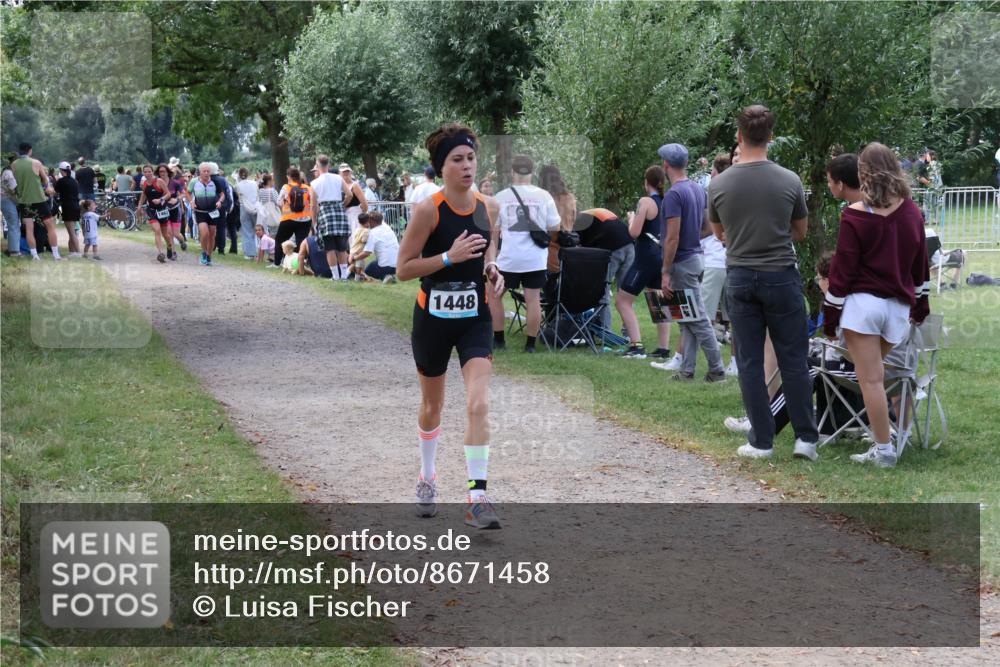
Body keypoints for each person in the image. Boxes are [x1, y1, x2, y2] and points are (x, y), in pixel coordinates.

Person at [395, 122, 504, 529]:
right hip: (433, 320)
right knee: (432, 407)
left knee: (479, 404)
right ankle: (427, 476)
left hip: (473, 317)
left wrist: (492, 268)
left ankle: (478, 498)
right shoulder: (429, 210)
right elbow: (403, 269)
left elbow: (488, 245)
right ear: (441, 168)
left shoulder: (489, 206)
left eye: (471, 158)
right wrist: (447, 258)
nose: (466, 166)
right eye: (457, 160)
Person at [708, 105, 818, 460]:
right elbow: (800, 232)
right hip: (781, 275)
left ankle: (761, 440)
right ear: (771, 136)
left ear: (739, 137)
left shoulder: (720, 184)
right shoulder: (789, 180)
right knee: (794, 359)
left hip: (740, 276)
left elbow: (719, 233)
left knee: (751, 361)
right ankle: (805, 439)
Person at [823, 142, 930, 468]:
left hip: (863, 307)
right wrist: (921, 302)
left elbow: (843, 271)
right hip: (897, 308)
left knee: (870, 379)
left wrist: (830, 315)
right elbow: (920, 263)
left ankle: (884, 450)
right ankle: (889, 439)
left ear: (863, 172)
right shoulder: (911, 210)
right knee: (878, 376)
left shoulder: (854, 215)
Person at [658, 143, 725, 382]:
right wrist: (690, 238)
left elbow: (672, 237)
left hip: (683, 262)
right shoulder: (697, 189)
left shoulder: (674, 194)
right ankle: (687, 371)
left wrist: (665, 272)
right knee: (685, 318)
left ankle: (717, 369)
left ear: (666, 165)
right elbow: (707, 228)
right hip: (697, 257)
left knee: (696, 319)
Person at [489, 155, 561, 353]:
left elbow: (493, 233)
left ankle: (499, 341)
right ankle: (530, 345)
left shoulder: (501, 197)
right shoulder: (544, 196)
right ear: (532, 172)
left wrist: (492, 259)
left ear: (512, 172)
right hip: (535, 258)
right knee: (533, 299)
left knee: (494, 296)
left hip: (509, 259)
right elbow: (555, 227)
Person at [617, 165, 672, 361]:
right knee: (658, 299)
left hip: (646, 257)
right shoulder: (668, 201)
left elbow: (634, 232)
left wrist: (631, 218)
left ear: (646, 182)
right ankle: (663, 348)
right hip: (663, 256)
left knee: (623, 300)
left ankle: (636, 346)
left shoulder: (645, 202)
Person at [573, 207, 635, 335]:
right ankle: (629, 333)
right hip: (630, 246)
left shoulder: (577, 221)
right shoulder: (596, 212)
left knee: (601, 292)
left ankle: (605, 332)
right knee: (626, 294)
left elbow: (577, 250)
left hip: (611, 249)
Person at [13, 143, 61, 260]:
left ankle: (35, 256)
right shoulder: (36, 163)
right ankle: (56, 255)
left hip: (24, 201)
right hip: (38, 199)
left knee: (29, 229)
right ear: (29, 151)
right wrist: (49, 189)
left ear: (19, 151)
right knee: (50, 226)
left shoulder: (13, 165)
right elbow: (45, 181)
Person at [310, 155, 352, 279]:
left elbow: (313, 205)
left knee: (330, 248)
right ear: (329, 165)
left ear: (317, 166)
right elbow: (349, 194)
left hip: (325, 213)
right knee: (342, 247)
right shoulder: (338, 178)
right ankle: (344, 276)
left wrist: (314, 221)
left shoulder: (314, 183)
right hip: (339, 212)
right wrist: (342, 205)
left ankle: (335, 276)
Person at [539, 164, 577, 274]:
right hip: (568, 249)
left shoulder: (544, 198)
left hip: (549, 252)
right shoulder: (570, 197)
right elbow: (573, 221)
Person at [273, 166, 314, 270]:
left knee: (280, 240)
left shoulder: (286, 187)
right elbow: (312, 202)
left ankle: (277, 263)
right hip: (305, 220)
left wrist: (285, 206)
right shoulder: (307, 187)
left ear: (289, 176)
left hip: (289, 219)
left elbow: (278, 201)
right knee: (302, 243)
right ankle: (302, 263)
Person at [191, 161, 227, 266]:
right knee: (204, 233)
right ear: (200, 172)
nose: (206, 173)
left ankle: (209, 255)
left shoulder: (215, 182)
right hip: (200, 211)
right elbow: (187, 192)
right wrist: (191, 201)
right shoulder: (194, 182)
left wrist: (220, 201)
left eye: (208, 171)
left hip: (213, 211)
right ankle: (203, 252)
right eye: (204, 171)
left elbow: (222, 194)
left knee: (212, 234)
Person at [137, 164, 175, 263]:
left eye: (149, 171)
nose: (147, 173)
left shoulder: (159, 181)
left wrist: (160, 199)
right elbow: (144, 194)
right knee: (156, 230)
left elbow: (168, 194)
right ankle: (160, 253)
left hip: (162, 210)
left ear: (152, 172)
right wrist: (140, 205)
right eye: (145, 172)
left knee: (165, 234)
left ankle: (169, 246)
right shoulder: (144, 183)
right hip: (151, 210)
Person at [352, 210, 399, 282]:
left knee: (368, 270)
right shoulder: (386, 226)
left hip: (385, 266)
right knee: (378, 262)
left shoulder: (372, 233)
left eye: (368, 220)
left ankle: (385, 276)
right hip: (398, 265)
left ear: (372, 221)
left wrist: (354, 258)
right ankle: (390, 276)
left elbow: (366, 253)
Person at [53, 162, 82, 256]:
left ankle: (78, 252)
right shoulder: (74, 181)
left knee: (72, 233)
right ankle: (72, 252)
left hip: (68, 207)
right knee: (72, 231)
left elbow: (54, 192)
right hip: (76, 206)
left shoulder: (61, 181)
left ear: (61, 170)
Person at [158, 163, 187, 252]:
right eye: (160, 171)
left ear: (168, 172)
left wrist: (176, 199)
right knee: (169, 233)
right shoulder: (157, 183)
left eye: (164, 171)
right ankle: (172, 251)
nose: (162, 173)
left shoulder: (174, 183)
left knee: (176, 234)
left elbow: (183, 194)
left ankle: (182, 241)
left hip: (174, 210)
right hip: (163, 210)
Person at [236, 167, 259, 259]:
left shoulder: (238, 185)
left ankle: (250, 253)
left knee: (247, 230)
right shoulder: (254, 183)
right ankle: (259, 250)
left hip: (244, 208)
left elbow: (239, 197)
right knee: (257, 229)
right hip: (255, 207)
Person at [339, 163, 368, 234]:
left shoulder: (354, 185)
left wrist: (362, 215)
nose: (346, 173)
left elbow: (364, 203)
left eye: (347, 171)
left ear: (350, 172)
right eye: (344, 172)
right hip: (344, 215)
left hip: (355, 215)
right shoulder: (338, 185)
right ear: (340, 173)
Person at [2, 154, 20, 256]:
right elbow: (15, 189)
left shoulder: (9, 171)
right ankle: (14, 251)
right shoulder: (9, 173)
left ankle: (13, 249)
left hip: (7, 200)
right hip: (6, 200)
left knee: (13, 224)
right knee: (13, 225)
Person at [348, 212, 372, 280]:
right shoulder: (366, 231)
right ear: (367, 222)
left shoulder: (357, 229)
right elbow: (364, 240)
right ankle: (356, 279)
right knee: (359, 266)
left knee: (354, 265)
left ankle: (349, 275)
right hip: (359, 251)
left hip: (353, 250)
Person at [257, 173, 281, 237]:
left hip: (263, 217)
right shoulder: (273, 191)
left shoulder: (260, 191)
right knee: (275, 235)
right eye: (272, 180)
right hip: (272, 217)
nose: (273, 182)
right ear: (269, 181)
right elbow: (279, 203)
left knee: (266, 235)